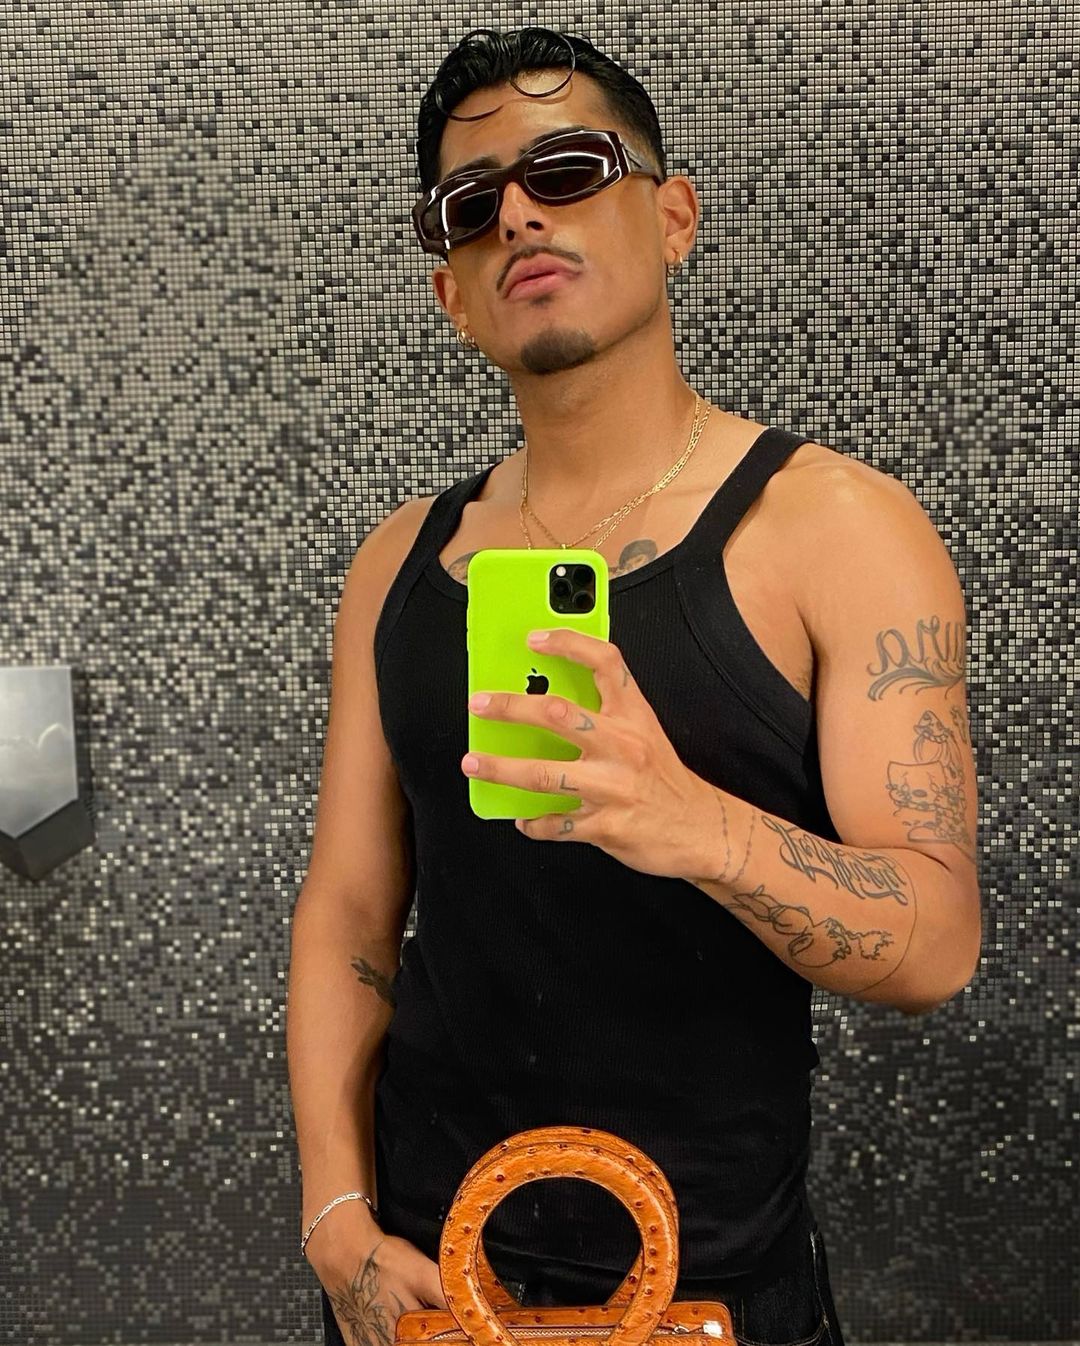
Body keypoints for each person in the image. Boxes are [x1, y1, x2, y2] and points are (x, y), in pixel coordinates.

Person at [286, 26, 982, 1346]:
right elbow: (351, 908)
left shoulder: (835, 530)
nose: (517, 216)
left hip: (711, 1285)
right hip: (424, 1276)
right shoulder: (399, 563)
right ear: (451, 292)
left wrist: (689, 821)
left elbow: (937, 942)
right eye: (470, 204)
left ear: (673, 218)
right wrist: (335, 1216)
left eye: (566, 169)